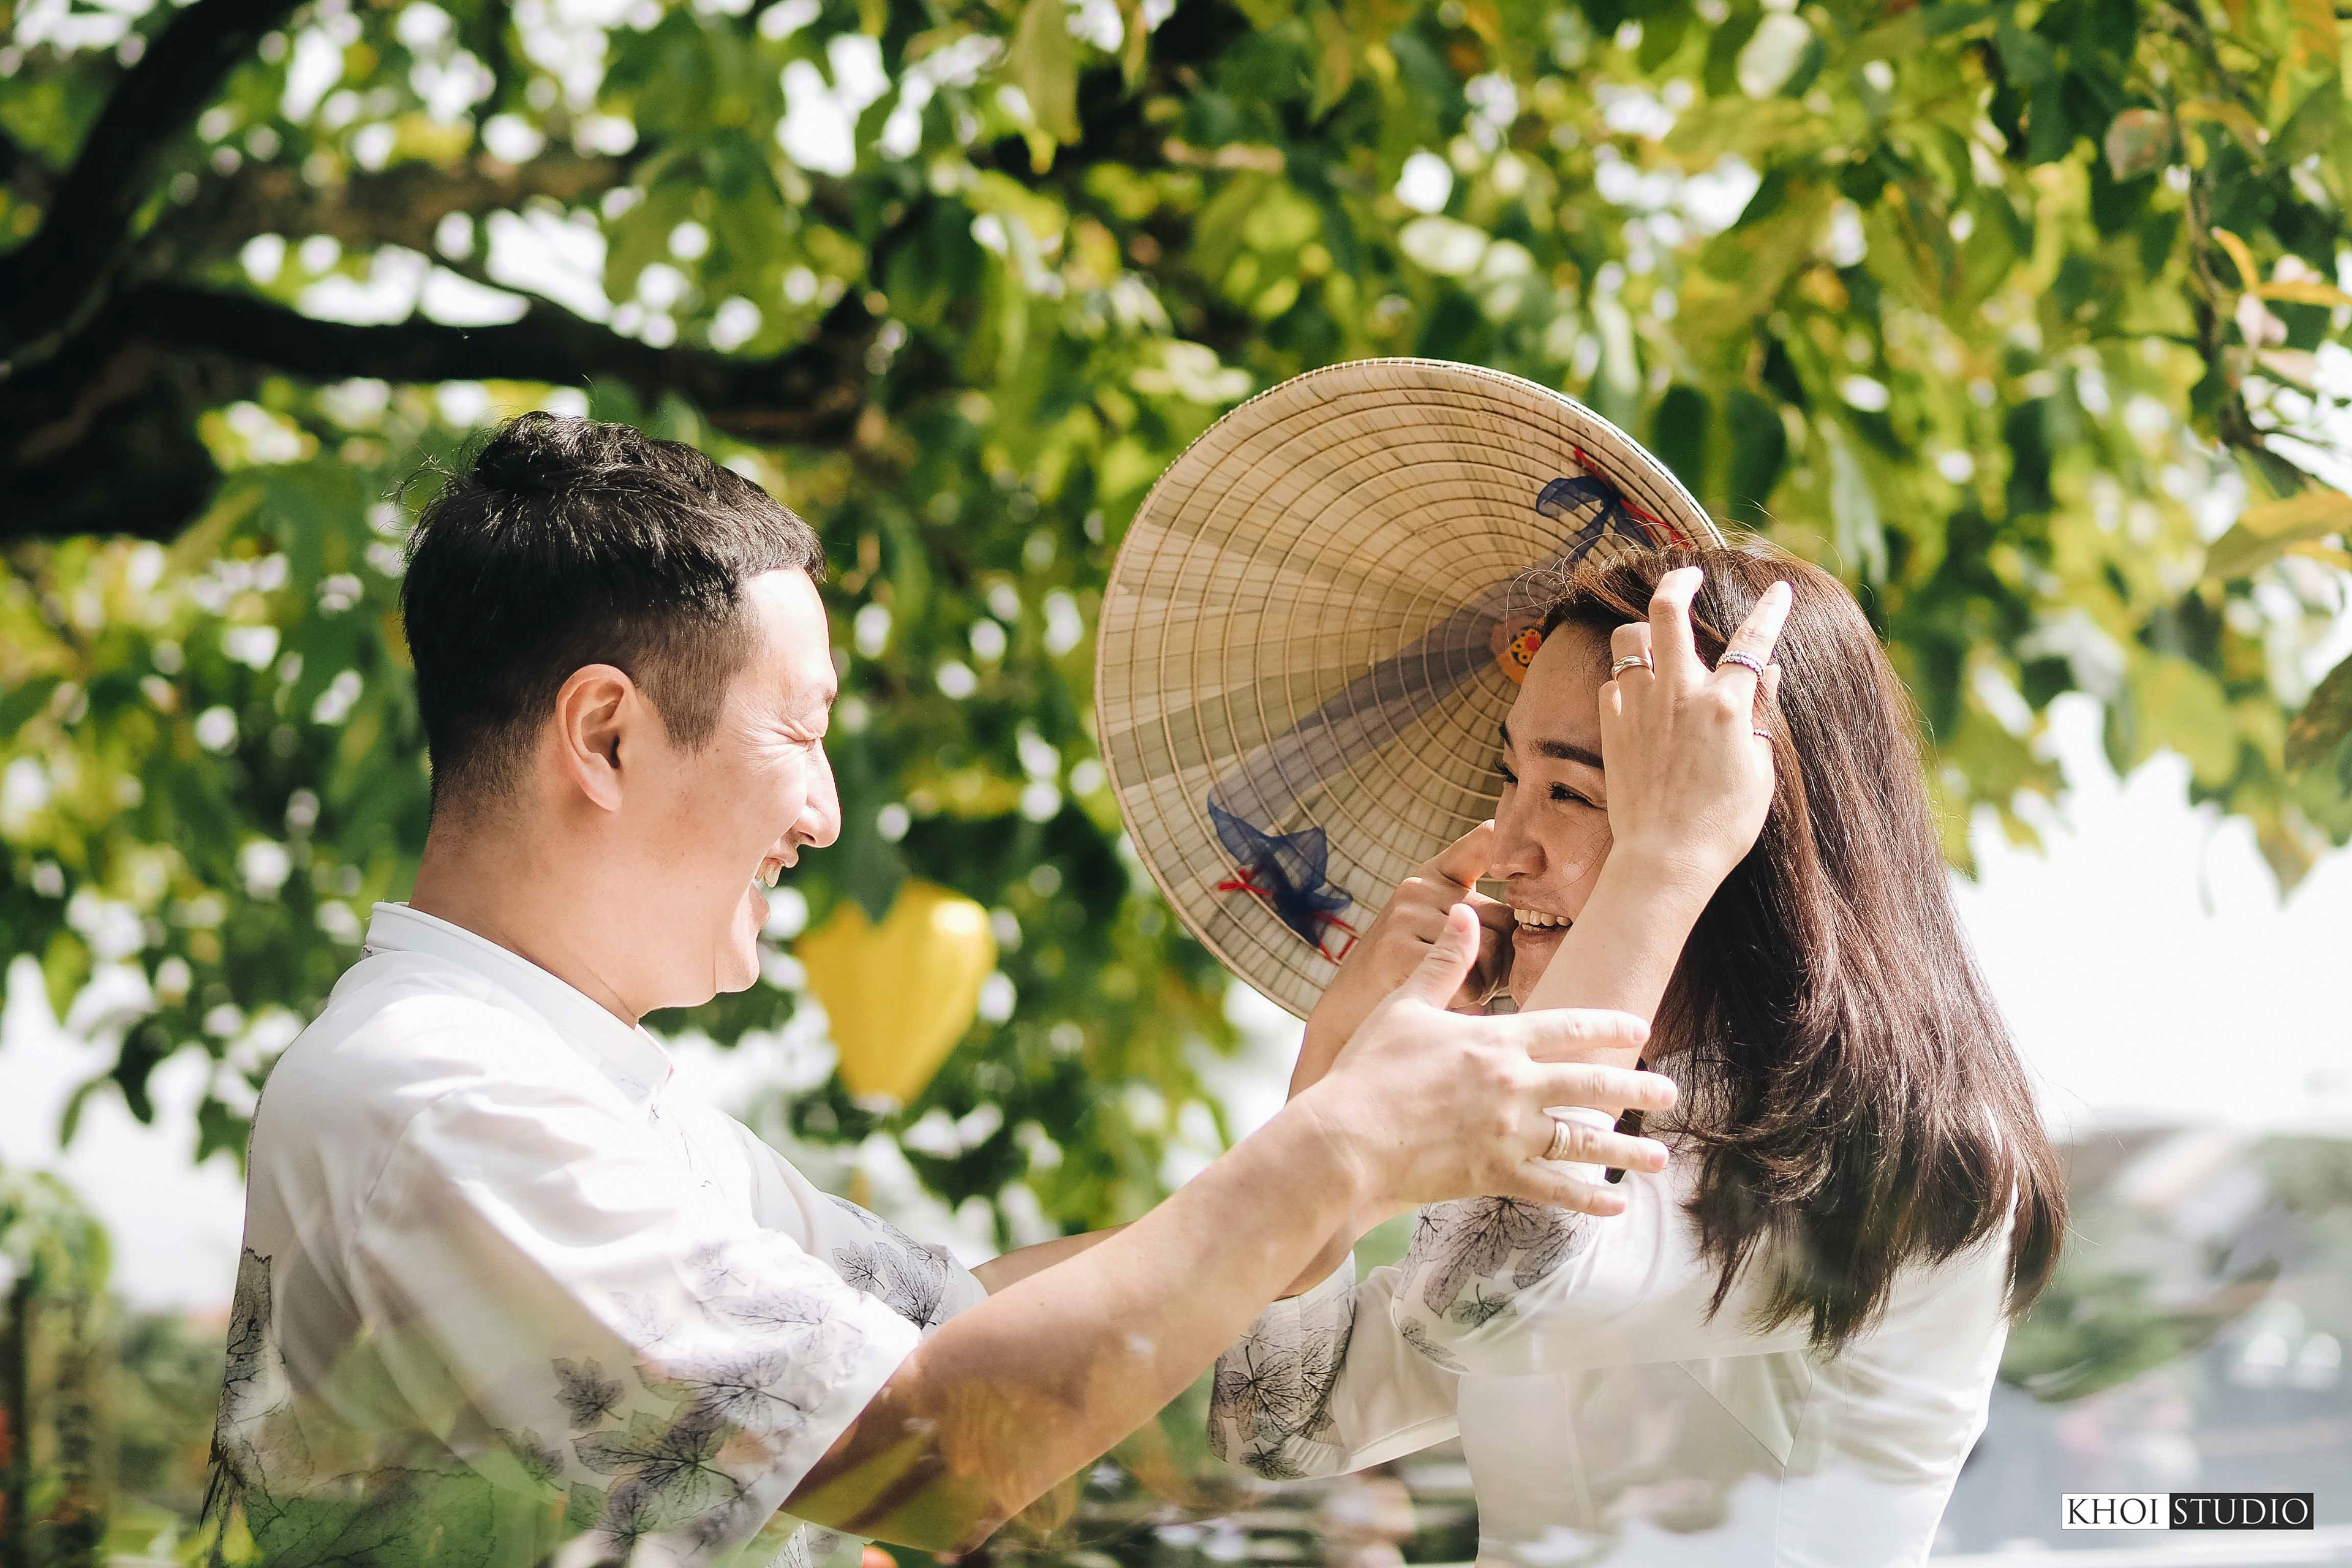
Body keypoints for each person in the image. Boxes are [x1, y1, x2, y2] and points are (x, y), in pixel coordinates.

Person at [205, 414, 1687, 1568]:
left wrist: (1330, 1122)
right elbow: (931, 1448)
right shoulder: (442, 1098)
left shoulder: (574, 1087)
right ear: (604, 736)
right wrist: (1345, 1146)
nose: (827, 814)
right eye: (800, 732)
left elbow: (947, 1318)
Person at [1208, 548, 2068, 1566]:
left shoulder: (1907, 1159)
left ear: (1741, 823)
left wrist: (1663, 860)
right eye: (1509, 778)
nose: (1505, 845)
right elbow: (1274, 1422)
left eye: (1572, 794)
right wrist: (1335, 1057)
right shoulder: (1608, 1131)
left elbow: (1480, 1296)